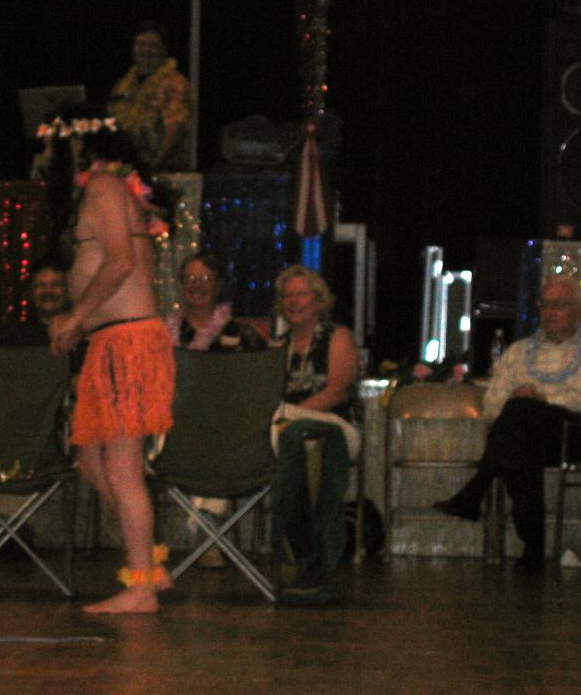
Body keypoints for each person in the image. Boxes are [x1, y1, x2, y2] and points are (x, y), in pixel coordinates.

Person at [46, 110, 175, 614]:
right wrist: (80, 324)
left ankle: (141, 587)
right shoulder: (112, 188)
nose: (45, 157)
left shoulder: (103, 186)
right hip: (114, 341)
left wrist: (76, 317)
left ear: (76, 146)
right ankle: (149, 566)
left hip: (126, 342)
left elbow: (121, 262)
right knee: (93, 461)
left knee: (121, 467)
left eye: (50, 146)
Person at [435, 276, 581, 574]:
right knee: (519, 443)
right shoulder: (518, 352)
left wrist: (541, 398)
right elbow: (492, 404)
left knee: (520, 415)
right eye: (545, 305)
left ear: (578, 310)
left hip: (571, 433)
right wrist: (521, 402)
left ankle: (478, 489)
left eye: (560, 305)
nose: (550, 312)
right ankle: (532, 549)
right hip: (525, 435)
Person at [165, 251, 267, 568]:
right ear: (181, 285)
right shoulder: (163, 334)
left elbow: (258, 390)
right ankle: (208, 534)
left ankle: (207, 531)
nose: (197, 284)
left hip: (230, 430)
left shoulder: (241, 334)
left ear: (219, 285)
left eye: (205, 278)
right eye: (191, 278)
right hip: (173, 428)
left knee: (217, 434)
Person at [271, 265, 360, 605]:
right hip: (286, 431)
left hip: (334, 426)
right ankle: (300, 554)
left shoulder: (337, 337)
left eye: (301, 294)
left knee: (293, 432)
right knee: (289, 437)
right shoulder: (277, 345)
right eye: (288, 296)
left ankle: (308, 555)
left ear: (318, 300)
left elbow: (337, 392)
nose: (294, 302)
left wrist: (290, 415)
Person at [108, 21, 195, 172]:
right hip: (126, 168)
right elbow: (111, 123)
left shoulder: (176, 84)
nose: (146, 50)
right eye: (141, 44)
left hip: (165, 171)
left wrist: (153, 167)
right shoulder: (123, 85)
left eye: (153, 45)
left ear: (164, 49)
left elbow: (175, 129)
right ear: (133, 49)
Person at [0, 264, 69, 347]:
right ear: (31, 293)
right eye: (41, 285)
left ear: (67, 291)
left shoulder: (77, 335)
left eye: (56, 285)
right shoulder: (10, 336)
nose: (48, 291)